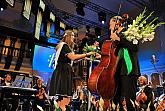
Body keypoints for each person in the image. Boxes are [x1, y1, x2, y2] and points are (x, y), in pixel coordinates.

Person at [49, 30, 95, 111]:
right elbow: (73, 57)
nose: (74, 37)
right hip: (63, 73)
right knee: (64, 99)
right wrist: (87, 54)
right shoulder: (64, 46)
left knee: (63, 100)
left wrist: (85, 57)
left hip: (64, 72)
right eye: (73, 35)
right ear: (68, 37)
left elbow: (74, 60)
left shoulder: (65, 47)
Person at [108, 16, 141, 110]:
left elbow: (135, 47)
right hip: (118, 71)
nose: (109, 26)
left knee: (128, 100)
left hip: (129, 70)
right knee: (118, 100)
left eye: (110, 24)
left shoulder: (129, 32)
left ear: (117, 23)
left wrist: (119, 39)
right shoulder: (115, 36)